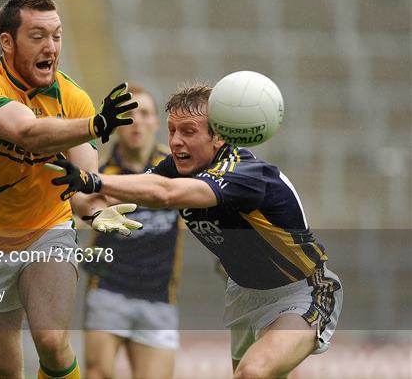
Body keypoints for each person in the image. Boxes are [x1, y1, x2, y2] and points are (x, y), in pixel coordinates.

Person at [50, 83, 343, 378]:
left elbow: (165, 194)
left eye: (188, 132)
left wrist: (93, 180)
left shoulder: (247, 174)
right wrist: (68, 173)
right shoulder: (176, 167)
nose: (176, 142)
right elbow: (122, 193)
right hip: (243, 294)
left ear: (217, 136)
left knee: (252, 372)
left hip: (301, 290)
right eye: (172, 131)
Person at [0, 0, 142, 379]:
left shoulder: (73, 98)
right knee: (2, 370)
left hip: (46, 231)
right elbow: (26, 131)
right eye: (37, 36)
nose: (51, 47)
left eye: (57, 35)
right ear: (7, 42)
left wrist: (94, 210)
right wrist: (96, 125)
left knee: (50, 340)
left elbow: (82, 181)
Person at [83, 83, 183, 379]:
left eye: (145, 113)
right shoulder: (99, 174)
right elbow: (80, 211)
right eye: (128, 115)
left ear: (156, 123)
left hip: (159, 296)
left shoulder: (178, 170)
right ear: (116, 126)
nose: (137, 121)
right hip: (108, 290)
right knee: (97, 373)